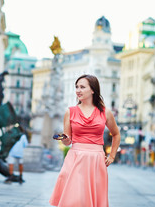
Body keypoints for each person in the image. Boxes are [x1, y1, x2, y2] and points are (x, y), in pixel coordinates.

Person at [49, 74, 120, 207]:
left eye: (82, 87)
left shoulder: (105, 112)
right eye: (76, 87)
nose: (78, 90)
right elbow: (67, 141)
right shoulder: (70, 112)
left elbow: (116, 134)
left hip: (96, 160)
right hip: (75, 158)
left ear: (92, 90)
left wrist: (112, 156)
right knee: (73, 198)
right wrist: (65, 140)